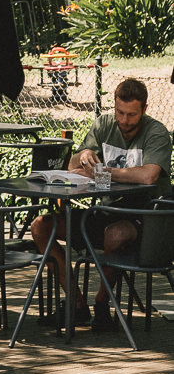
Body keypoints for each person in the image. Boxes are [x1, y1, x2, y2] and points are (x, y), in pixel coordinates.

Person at [32, 80, 171, 331]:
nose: (125, 120)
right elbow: (73, 166)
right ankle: (77, 305)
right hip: (103, 212)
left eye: (132, 115)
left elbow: (148, 175)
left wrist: (106, 173)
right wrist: (83, 155)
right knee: (42, 226)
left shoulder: (157, 133)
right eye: (120, 113)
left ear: (145, 110)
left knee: (114, 234)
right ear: (114, 106)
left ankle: (102, 305)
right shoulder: (104, 125)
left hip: (145, 219)